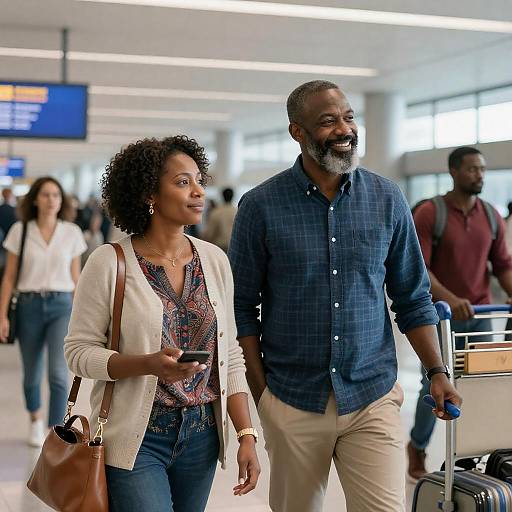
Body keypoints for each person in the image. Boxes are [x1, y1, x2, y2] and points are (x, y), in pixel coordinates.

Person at [228, 79, 461, 512]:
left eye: (349, 117)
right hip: (293, 397)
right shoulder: (260, 206)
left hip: (371, 394)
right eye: (328, 121)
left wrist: (436, 371)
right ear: (298, 132)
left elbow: (412, 296)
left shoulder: (387, 199)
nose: (344, 129)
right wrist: (263, 396)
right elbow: (241, 307)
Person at [64, 136, 260, 512]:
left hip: (202, 435)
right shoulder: (109, 262)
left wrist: (246, 434)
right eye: (183, 182)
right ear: (148, 194)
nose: (198, 191)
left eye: (199, 180)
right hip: (136, 438)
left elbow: (231, 355)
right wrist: (147, 364)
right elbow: (78, 353)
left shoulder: (215, 260)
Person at [408, 146, 512, 479]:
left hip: (481, 314)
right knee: (436, 383)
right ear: (454, 171)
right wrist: (450, 298)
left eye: (482, 169)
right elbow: (418, 268)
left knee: (480, 385)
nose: (479, 175)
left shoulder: (491, 216)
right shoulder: (429, 213)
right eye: (472, 169)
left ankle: (469, 455)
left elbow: (503, 265)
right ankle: (417, 446)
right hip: (441, 316)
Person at [0, 177, 87, 447]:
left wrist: (85, 317)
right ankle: (35, 420)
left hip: (62, 305)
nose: (52, 200)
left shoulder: (71, 232)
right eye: (46, 195)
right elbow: (9, 276)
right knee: (32, 374)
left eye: (56, 195)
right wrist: (2, 314)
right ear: (35, 199)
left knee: (59, 373)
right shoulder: (20, 230)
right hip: (28, 305)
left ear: (62, 201)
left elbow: (77, 278)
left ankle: (54, 429)